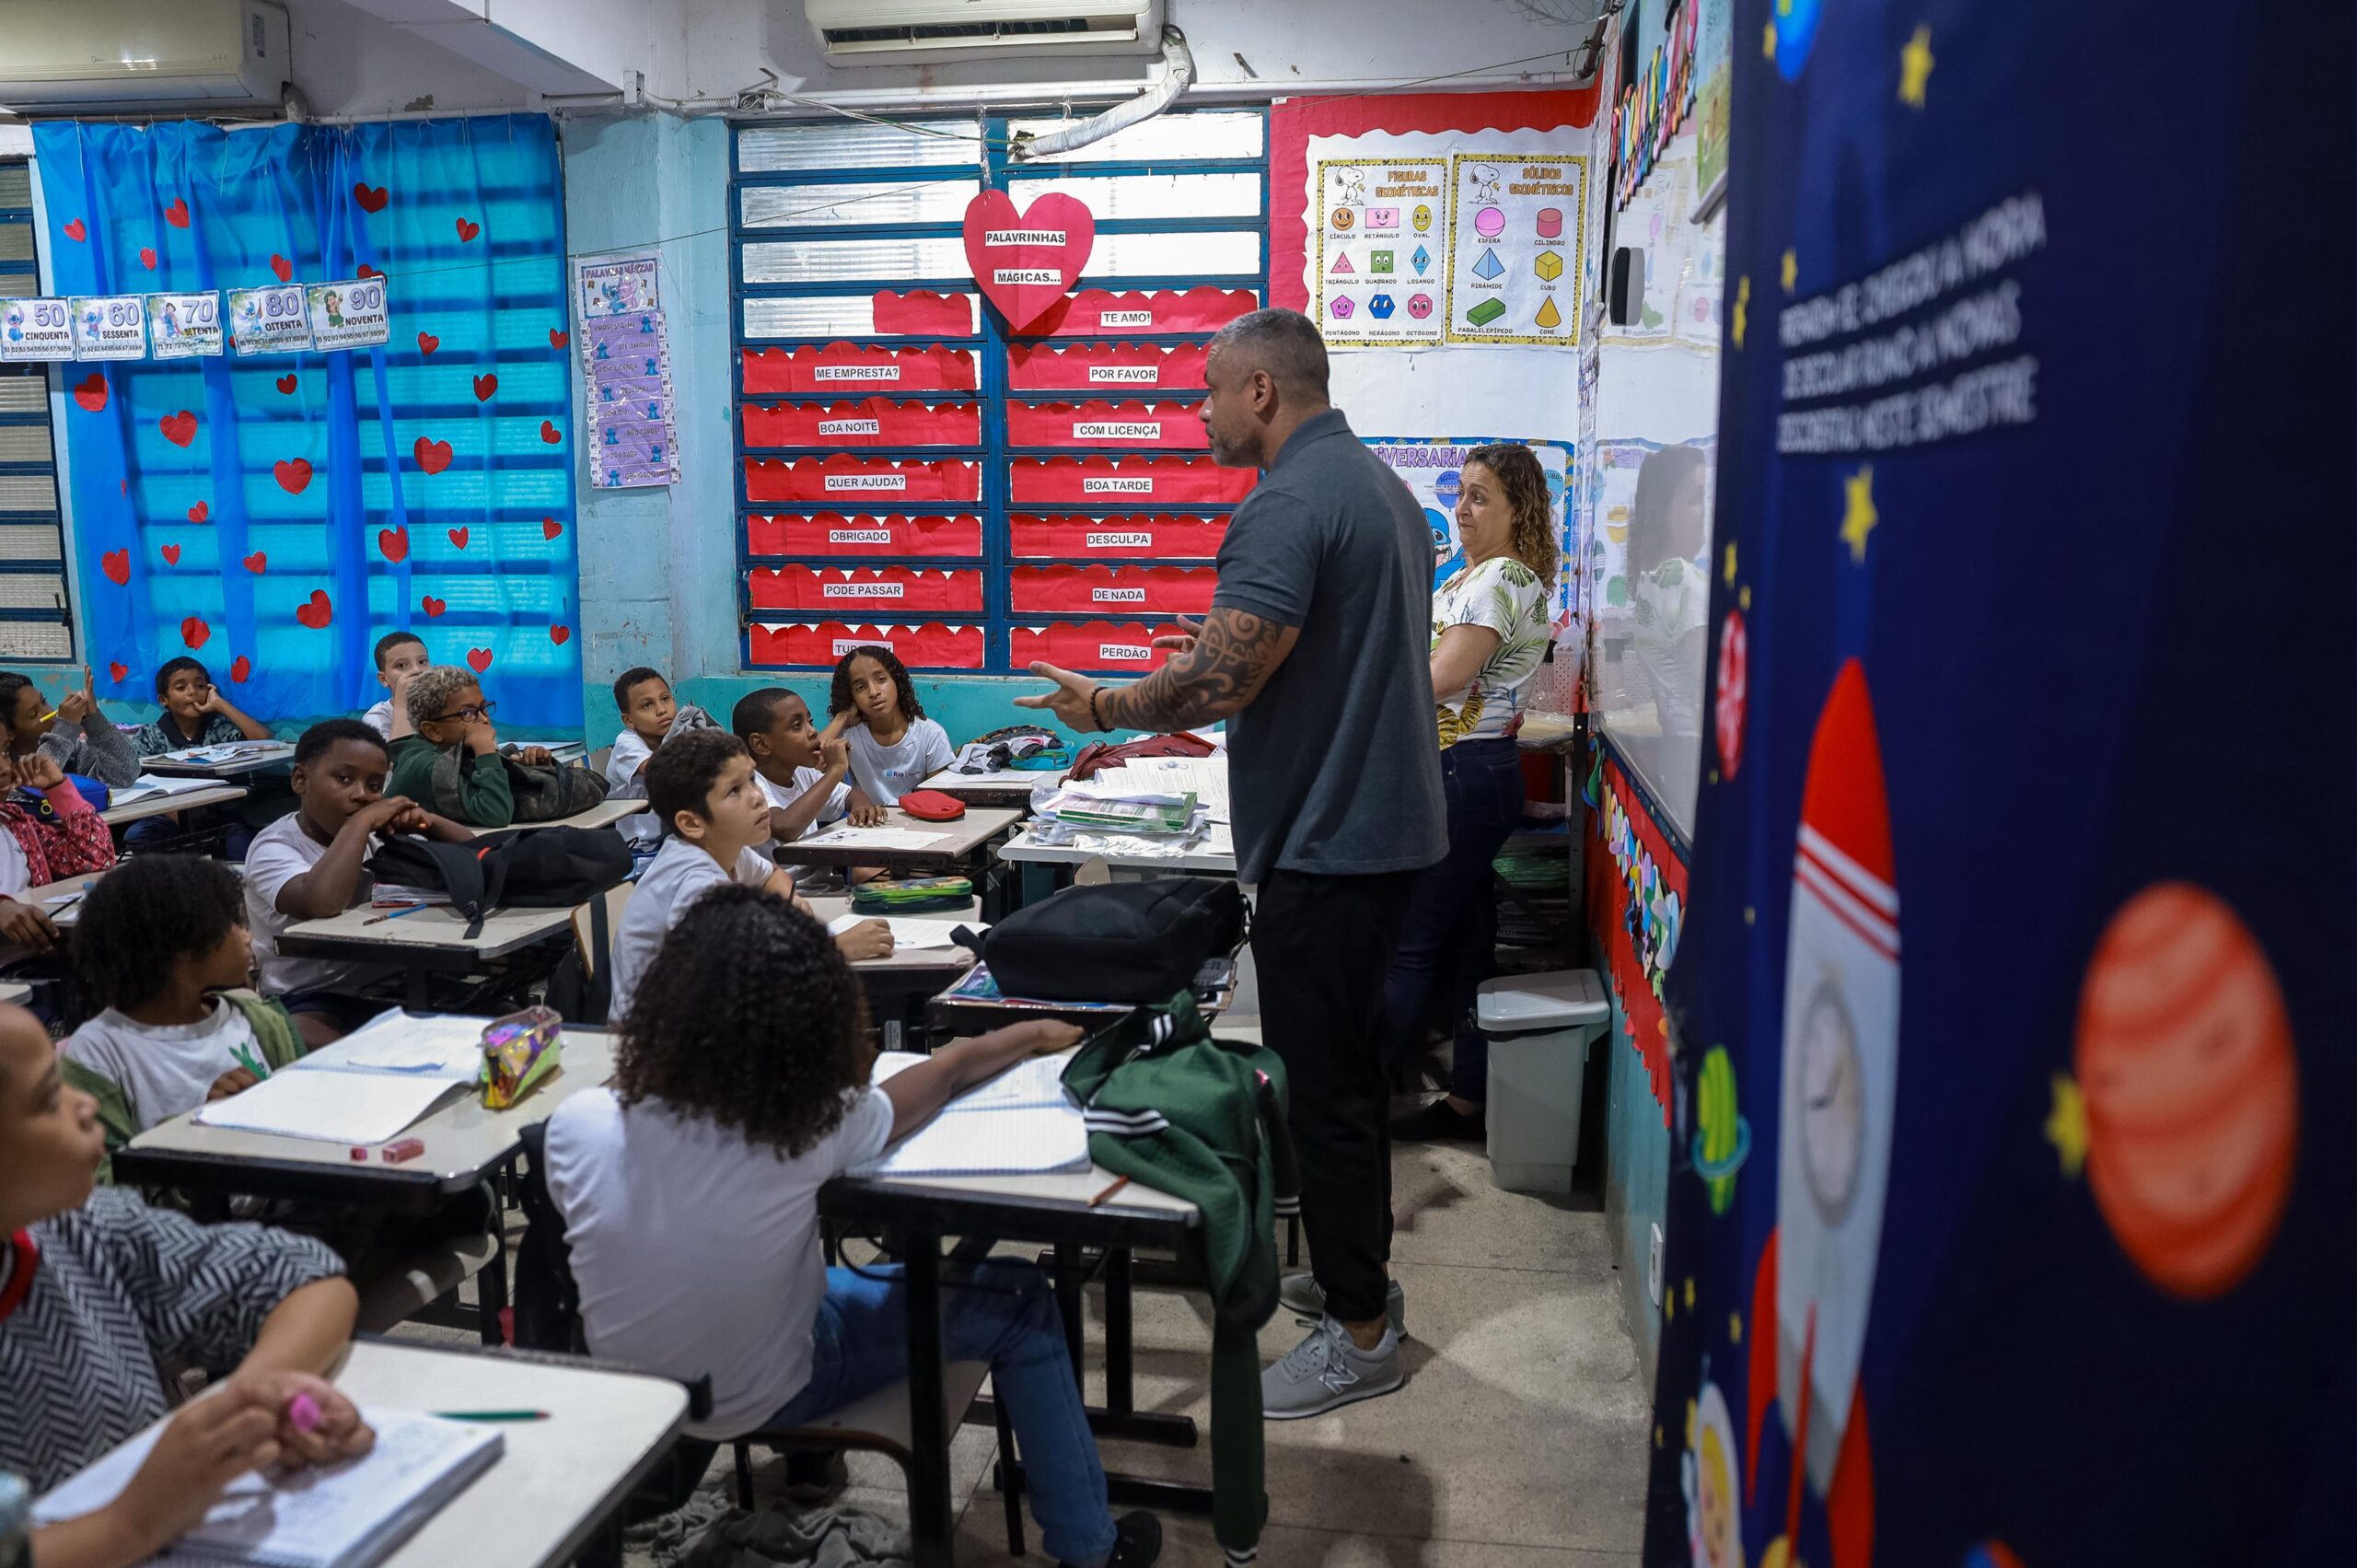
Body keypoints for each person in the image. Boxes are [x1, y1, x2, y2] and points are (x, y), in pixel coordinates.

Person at [1019, 308, 1444, 1419]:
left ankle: (1360, 1331)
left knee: (1332, 1096)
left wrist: (1106, 700)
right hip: (1376, 832)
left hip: (1330, 842)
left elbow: (1220, 680)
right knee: (1341, 1077)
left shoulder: (1287, 502)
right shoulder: (1380, 491)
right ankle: (1359, 1283)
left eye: (1207, 390)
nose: (1197, 412)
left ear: (1260, 390)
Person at [542, 887, 1161, 1568]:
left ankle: (806, 1462)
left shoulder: (578, 1124)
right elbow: (943, 1075)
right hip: (777, 1383)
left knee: (778, 1274)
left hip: (638, 1400)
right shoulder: (804, 1126)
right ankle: (1091, 1548)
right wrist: (1027, 1034)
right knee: (1018, 1294)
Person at [0, 1003, 373, 1567]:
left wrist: (246, 1407)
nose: (84, 1104)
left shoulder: (76, 1230)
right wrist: (131, 1523)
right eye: (51, 1098)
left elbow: (307, 1277)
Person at [1379, 444, 1557, 1144]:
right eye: (1460, 492)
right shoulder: (1477, 577)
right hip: (1473, 772)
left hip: (1462, 773)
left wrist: (1354, 700)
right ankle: (1468, 1100)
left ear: (1519, 510)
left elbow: (1445, 676)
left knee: (1410, 941)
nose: (1462, 507)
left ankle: (1350, 1103)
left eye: (1481, 496)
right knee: (1467, 941)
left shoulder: (1501, 578)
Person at [606, 728, 888, 1018]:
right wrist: (833, 949)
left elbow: (770, 876)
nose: (757, 798)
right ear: (691, 823)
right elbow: (727, 979)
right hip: (664, 1044)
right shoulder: (695, 882)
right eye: (734, 790)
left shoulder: (726, 847)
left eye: (752, 780)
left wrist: (794, 906)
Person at [60, 857, 306, 1173]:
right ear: (183, 947)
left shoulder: (257, 1018)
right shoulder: (98, 1052)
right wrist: (199, 1131)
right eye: (234, 924)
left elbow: (305, 1117)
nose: (248, 937)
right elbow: (104, 1190)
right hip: (185, 1219)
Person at [244, 720, 473, 1046]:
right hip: (310, 996)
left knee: (503, 1015)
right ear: (300, 780)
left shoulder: (374, 836)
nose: (361, 795)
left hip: (393, 982)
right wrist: (363, 822)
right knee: (332, 1045)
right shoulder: (275, 847)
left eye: (375, 786)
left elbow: (475, 857)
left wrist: (429, 821)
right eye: (344, 779)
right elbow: (320, 901)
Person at [730, 686, 885, 878]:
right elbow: (785, 828)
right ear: (761, 744)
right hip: (780, 894)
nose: (813, 732)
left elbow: (849, 794)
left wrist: (861, 806)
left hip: (822, 886)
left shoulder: (801, 773)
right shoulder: (749, 784)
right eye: (797, 726)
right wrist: (836, 770)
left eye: (810, 722)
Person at [383, 666, 557, 830]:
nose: (484, 719)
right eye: (467, 713)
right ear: (433, 730)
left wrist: (531, 770)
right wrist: (485, 750)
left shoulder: (451, 751)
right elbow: (496, 814)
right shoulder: (424, 765)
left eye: (483, 708)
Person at [0, 745, 117, 953]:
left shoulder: (15, 822)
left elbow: (95, 860)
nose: (4, 768)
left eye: (5, 752)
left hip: (35, 954)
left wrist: (58, 787)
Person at [829, 645, 954, 806]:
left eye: (881, 680)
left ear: (896, 680)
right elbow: (808, 767)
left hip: (920, 824)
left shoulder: (930, 734)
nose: (873, 692)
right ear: (851, 697)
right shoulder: (849, 735)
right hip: (868, 825)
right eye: (860, 687)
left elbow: (938, 803)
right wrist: (842, 717)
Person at [0, 668, 135, 787]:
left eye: (43, 701)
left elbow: (126, 774)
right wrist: (63, 732)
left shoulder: (72, 752)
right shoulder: (6, 772)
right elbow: (39, 780)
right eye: (34, 714)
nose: (48, 712)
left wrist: (94, 721)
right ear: (8, 731)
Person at [128, 657, 273, 756]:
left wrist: (220, 704)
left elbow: (264, 739)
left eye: (200, 686)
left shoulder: (219, 728)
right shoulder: (150, 736)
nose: (193, 692)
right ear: (164, 699)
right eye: (181, 687)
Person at [360, 632, 431, 740]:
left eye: (422, 662)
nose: (417, 670)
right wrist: (402, 706)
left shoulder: (448, 705)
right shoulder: (377, 718)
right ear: (384, 679)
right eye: (401, 665)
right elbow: (400, 756)